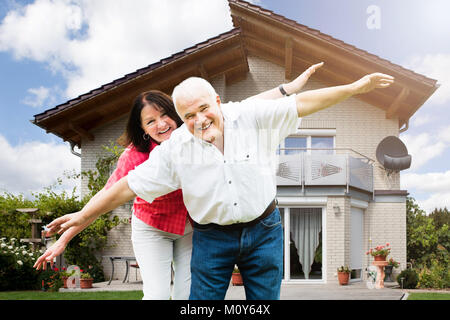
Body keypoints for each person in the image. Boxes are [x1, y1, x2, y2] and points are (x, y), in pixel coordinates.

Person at [34, 62, 326, 299]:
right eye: (150, 122)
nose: (160, 124)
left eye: (165, 116)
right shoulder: (135, 157)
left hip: (188, 227)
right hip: (152, 228)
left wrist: (288, 89)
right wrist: (64, 239)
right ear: (144, 129)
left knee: (189, 296)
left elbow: (244, 108)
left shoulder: (195, 134)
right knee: (158, 295)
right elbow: (109, 197)